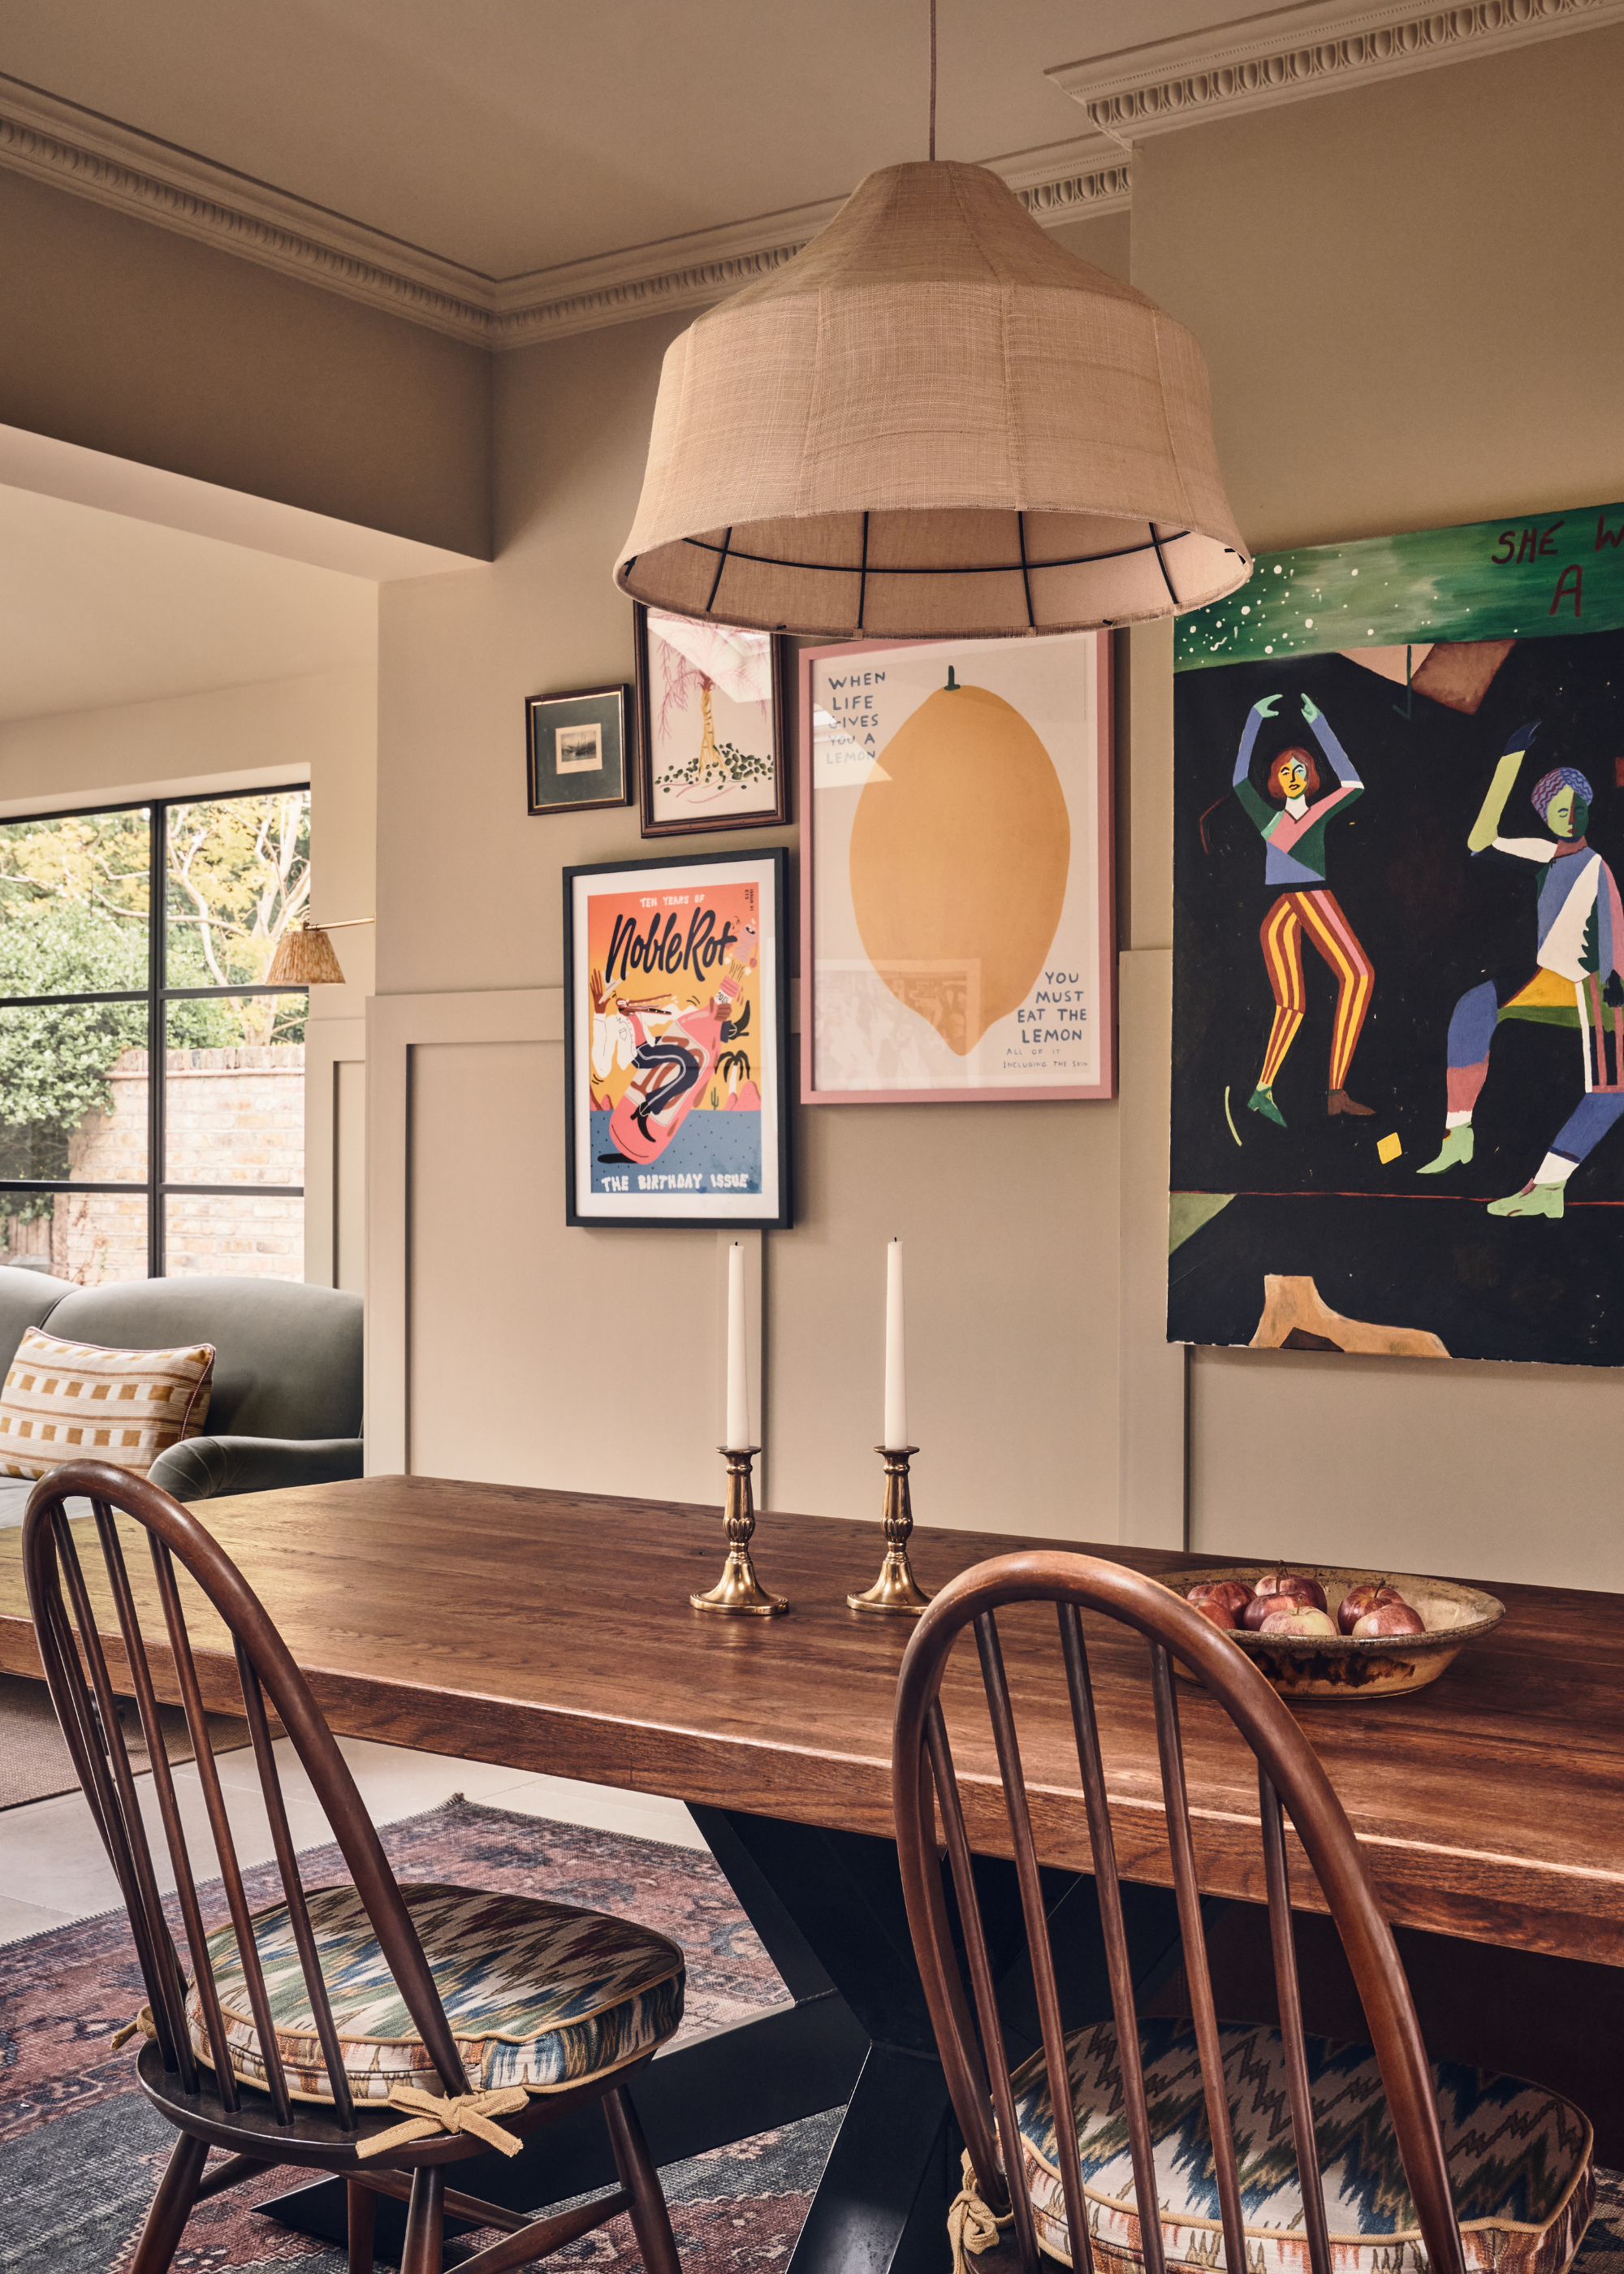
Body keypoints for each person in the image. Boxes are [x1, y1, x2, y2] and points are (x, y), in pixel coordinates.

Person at [1418, 728, 1624, 1218]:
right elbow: (1479, 841)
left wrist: (1614, 974)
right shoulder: (1547, 855)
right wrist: (1509, 760)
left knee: (1610, 1092)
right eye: (1559, 810)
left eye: (1577, 808)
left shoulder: (1597, 866)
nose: (1569, 817)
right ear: (1547, 818)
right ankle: (1458, 1134)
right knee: (1474, 1008)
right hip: (1551, 982)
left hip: (1599, 987)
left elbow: (1613, 919)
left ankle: (1549, 1186)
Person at [1231, 691, 1376, 1125]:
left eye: (1300, 769)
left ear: (1310, 776)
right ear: (1275, 780)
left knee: (1346, 982)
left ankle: (1326, 1090)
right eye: (1284, 771)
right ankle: (1273, 1090)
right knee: (1316, 993)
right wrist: (1254, 718)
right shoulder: (1269, 821)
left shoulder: (1319, 812)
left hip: (1302, 900)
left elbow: (1353, 785)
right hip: (1298, 900)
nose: (1292, 775)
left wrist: (1320, 724)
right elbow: (1240, 782)